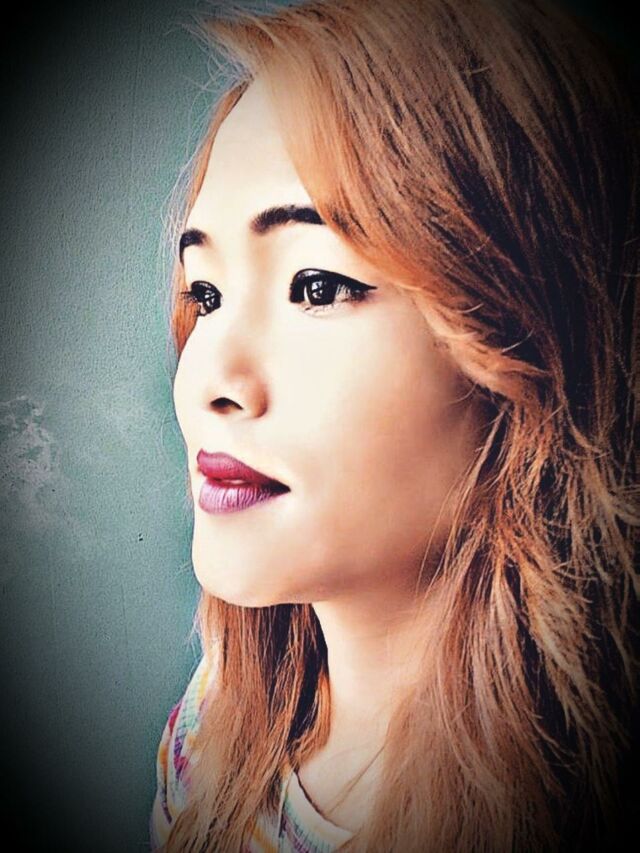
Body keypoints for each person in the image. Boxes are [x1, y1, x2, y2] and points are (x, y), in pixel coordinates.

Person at [149, 1, 639, 850]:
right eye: (207, 294)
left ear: (531, 340)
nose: (208, 383)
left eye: (317, 286)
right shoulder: (210, 732)